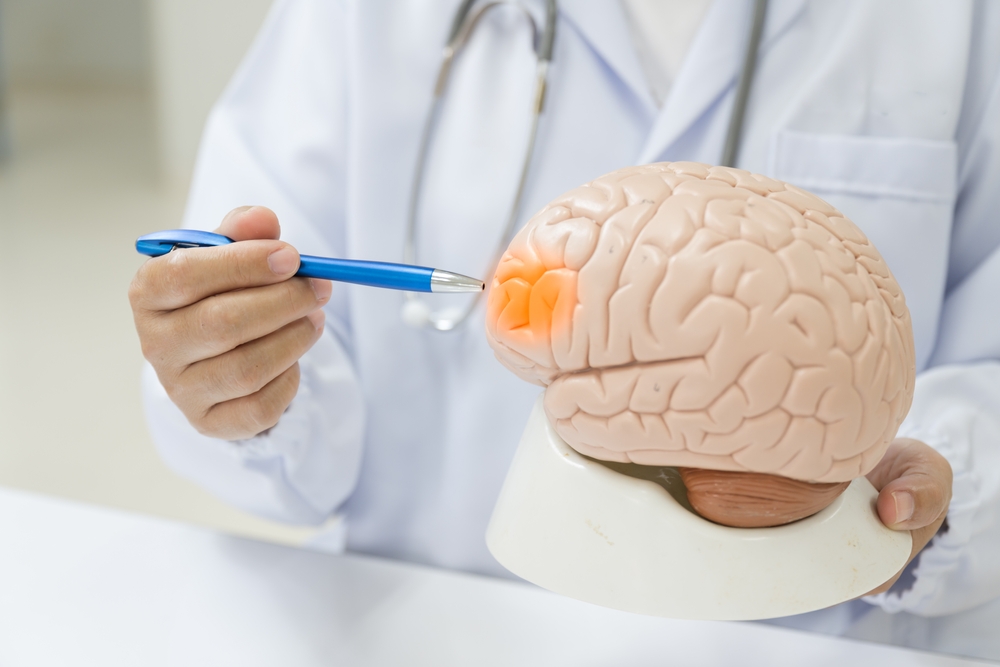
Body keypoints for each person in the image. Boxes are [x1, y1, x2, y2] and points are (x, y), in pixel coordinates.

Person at [128, 0, 999, 638]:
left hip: (806, 635)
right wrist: (243, 377)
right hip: (437, 628)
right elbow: (256, 322)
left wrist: (937, 488)